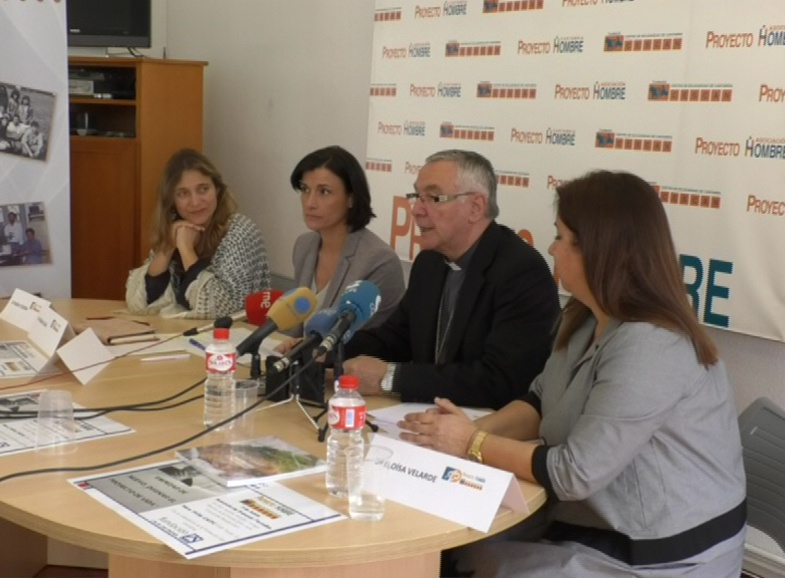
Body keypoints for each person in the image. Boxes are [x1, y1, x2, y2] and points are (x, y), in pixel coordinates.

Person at [401, 170, 746, 578]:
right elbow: (539, 401)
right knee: (456, 551)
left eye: (561, 237)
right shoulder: (583, 316)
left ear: (599, 250)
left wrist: (472, 442)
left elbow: (573, 473)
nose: (551, 247)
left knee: (463, 563)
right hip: (595, 520)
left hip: (663, 553)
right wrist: (460, 434)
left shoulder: (652, 344)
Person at [343, 149, 560, 410]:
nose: (417, 210)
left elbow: (501, 381)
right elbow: (395, 340)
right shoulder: (429, 262)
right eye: (417, 197)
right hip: (426, 417)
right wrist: (326, 347)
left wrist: (392, 378)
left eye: (433, 198)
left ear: (476, 207)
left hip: (486, 425)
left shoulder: (521, 271)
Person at [126, 148, 271, 319]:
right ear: (171, 200)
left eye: (203, 189)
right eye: (183, 193)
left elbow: (221, 309)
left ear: (217, 190)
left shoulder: (241, 231)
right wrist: (168, 247)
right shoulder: (176, 228)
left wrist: (186, 250)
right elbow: (140, 304)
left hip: (238, 332)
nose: (195, 202)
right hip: (185, 331)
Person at [288, 145, 405, 334]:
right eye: (305, 189)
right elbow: (298, 326)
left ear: (351, 198)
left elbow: (364, 339)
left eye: (324, 192)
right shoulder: (304, 245)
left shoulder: (379, 261)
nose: (310, 203)